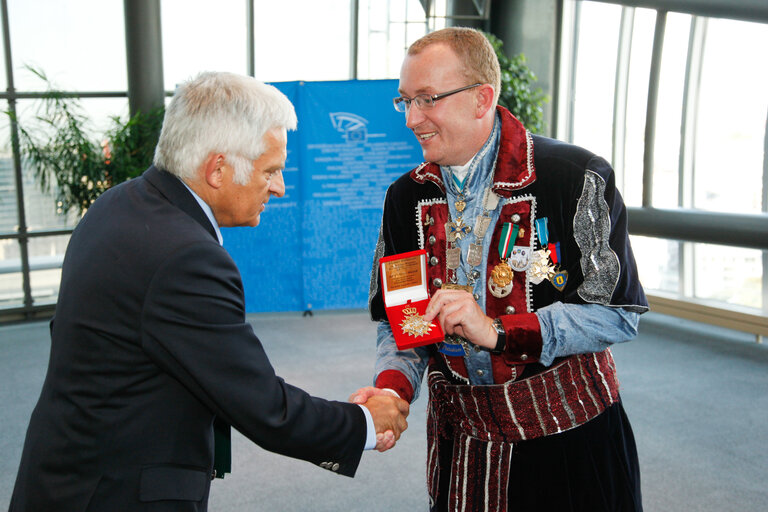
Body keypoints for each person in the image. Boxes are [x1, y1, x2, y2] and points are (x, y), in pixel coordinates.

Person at [9, 71, 409, 512]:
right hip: (116, 493)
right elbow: (264, 407)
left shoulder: (117, 204)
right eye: (271, 171)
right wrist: (365, 423)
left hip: (69, 478)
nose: (279, 187)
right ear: (217, 169)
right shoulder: (184, 258)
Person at [352, 27, 648, 511]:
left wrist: (498, 331)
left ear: (481, 98)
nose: (411, 119)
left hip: (569, 446)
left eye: (427, 100)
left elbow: (617, 314)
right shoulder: (405, 197)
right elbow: (403, 319)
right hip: (463, 453)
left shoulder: (575, 177)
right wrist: (393, 389)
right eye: (404, 101)